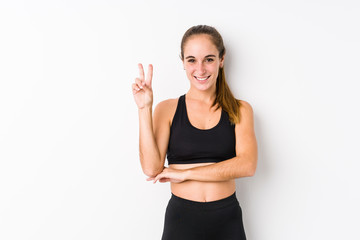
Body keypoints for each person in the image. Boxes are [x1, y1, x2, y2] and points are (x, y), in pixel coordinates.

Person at [132, 25, 258, 240]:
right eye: (192, 60)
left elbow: (247, 165)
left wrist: (186, 174)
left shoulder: (240, 109)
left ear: (221, 59)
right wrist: (144, 109)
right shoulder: (168, 109)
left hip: (227, 220)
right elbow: (152, 169)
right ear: (183, 62)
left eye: (208, 59)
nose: (200, 70)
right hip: (182, 220)